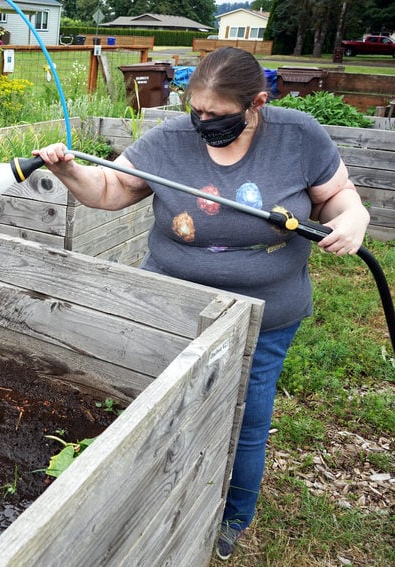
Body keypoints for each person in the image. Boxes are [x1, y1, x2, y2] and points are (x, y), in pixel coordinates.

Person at [33, 47, 370, 560]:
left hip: (266, 316)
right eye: (196, 110)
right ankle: (154, 489)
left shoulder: (299, 136)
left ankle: (232, 513)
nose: (202, 122)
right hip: (171, 306)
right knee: (156, 406)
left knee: (247, 419)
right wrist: (68, 171)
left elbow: (338, 196)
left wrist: (353, 220)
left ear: (256, 102)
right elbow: (110, 189)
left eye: (216, 115)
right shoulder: (172, 139)